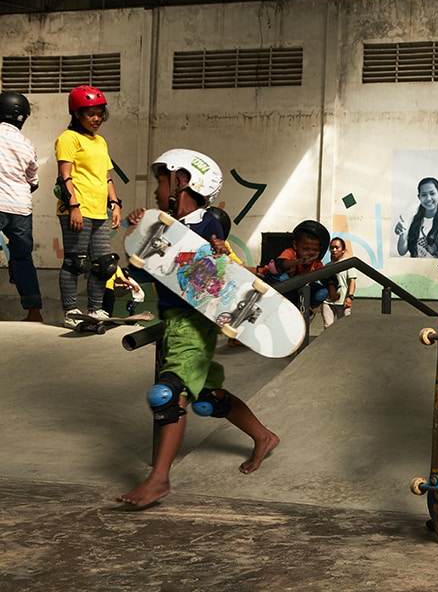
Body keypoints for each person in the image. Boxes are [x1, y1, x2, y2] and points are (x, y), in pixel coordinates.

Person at [117, 148, 279, 508]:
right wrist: (138, 233)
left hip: (196, 323)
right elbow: (143, 271)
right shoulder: (163, 224)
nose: (157, 191)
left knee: (168, 394)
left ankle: (159, 480)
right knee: (205, 397)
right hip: (173, 321)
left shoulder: (208, 224)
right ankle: (264, 436)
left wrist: (219, 253)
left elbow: (217, 272)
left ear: (181, 182)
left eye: (162, 182)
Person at [55, 85, 123, 328]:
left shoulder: (100, 142)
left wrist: (114, 204)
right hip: (76, 209)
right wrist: (73, 205)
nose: (97, 119)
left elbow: (106, 177)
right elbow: (65, 176)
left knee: (104, 264)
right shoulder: (68, 138)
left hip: (99, 211)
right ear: (76, 114)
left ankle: (95, 310)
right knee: (76, 262)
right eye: (90, 114)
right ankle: (71, 312)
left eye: (100, 113)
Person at [0, 91, 42, 322]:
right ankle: (34, 312)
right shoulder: (27, 144)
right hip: (20, 208)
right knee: (22, 258)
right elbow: (33, 180)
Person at [260, 220, 338, 310]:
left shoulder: (316, 264)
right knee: (283, 277)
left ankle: (308, 308)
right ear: (295, 245)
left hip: (296, 293)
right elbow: (277, 265)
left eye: (315, 250)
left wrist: (332, 290)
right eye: (306, 249)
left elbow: (327, 277)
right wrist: (298, 262)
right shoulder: (291, 253)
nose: (310, 253)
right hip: (277, 286)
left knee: (322, 292)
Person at [394, 177, 438, 257]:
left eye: (432, 193)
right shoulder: (412, 220)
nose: (428, 199)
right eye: (424, 195)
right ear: (419, 197)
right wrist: (402, 234)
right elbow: (402, 251)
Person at [322, 237, 356, 329]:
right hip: (328, 301)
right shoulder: (327, 266)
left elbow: (352, 281)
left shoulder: (348, 264)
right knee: (328, 327)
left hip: (343, 302)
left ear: (343, 250)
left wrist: (350, 297)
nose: (334, 250)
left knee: (344, 328)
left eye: (337, 247)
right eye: (332, 248)